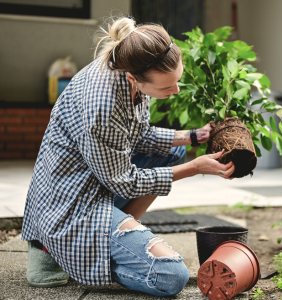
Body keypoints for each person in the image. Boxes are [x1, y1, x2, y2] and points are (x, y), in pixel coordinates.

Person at [22, 16, 235, 297]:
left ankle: (119, 235)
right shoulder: (103, 108)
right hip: (71, 202)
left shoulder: (129, 66)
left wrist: (192, 136)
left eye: (177, 81)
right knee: (171, 276)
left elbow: (137, 135)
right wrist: (194, 168)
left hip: (97, 180)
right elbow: (124, 183)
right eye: (166, 87)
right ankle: (66, 252)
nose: (175, 91)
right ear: (135, 79)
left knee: (174, 150)